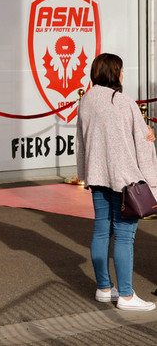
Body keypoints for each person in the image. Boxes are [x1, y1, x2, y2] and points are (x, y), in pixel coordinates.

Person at [76, 53, 157, 311]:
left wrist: (84, 172)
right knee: (124, 236)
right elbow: (142, 146)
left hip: (97, 176)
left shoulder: (86, 101)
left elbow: (81, 141)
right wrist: (152, 183)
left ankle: (103, 287)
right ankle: (126, 295)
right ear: (113, 73)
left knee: (101, 230)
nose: (123, 75)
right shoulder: (124, 102)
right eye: (121, 70)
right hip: (125, 181)